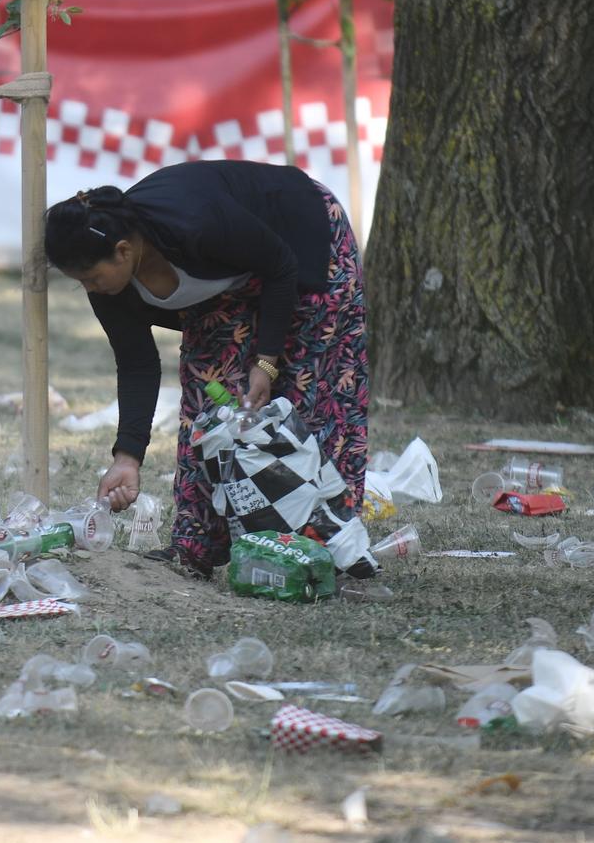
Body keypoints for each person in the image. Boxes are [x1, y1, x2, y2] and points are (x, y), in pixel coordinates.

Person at [45, 160, 369, 576]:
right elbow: (137, 364)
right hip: (234, 278)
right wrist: (128, 457)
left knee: (307, 401)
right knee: (207, 407)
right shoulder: (110, 286)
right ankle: (196, 546)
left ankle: (325, 550)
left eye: (90, 277)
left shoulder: (195, 222)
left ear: (123, 251)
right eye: (80, 281)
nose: (90, 289)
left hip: (303, 244)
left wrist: (266, 362)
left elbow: (280, 265)